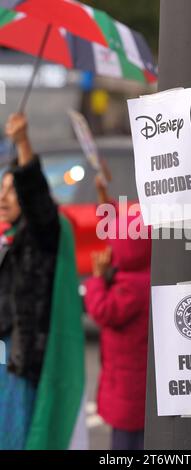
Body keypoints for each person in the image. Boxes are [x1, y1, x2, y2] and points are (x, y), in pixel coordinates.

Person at [0, 113, 85, 450]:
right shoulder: (9, 238)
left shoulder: (42, 234)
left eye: (12, 191)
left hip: (22, 369)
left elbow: (38, 204)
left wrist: (22, 143)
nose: (4, 198)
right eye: (1, 190)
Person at [84, 175, 151, 451]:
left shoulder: (131, 287)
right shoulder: (146, 273)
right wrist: (104, 200)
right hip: (134, 385)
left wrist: (97, 279)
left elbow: (103, 312)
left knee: (125, 445)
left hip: (128, 392)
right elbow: (125, 230)